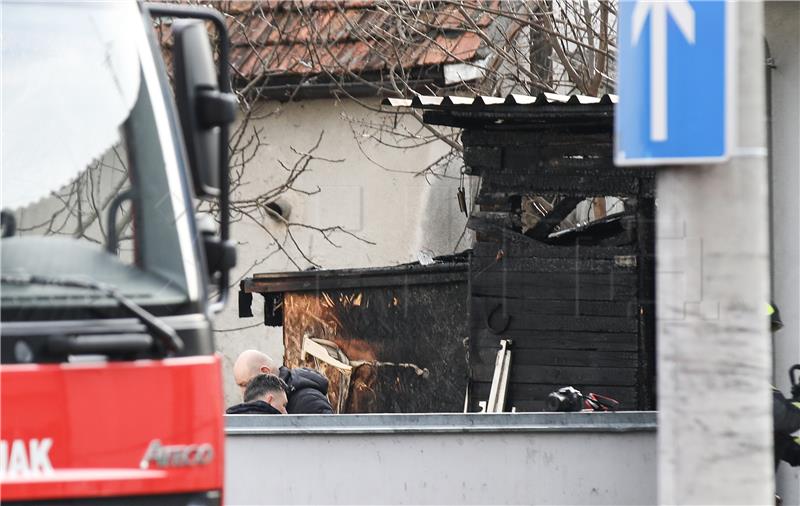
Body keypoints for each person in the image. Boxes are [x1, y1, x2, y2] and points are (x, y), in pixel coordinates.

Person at [232, 349, 333, 414]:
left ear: (265, 372)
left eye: (245, 384)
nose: (244, 393)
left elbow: (328, 443)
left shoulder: (308, 402)